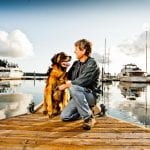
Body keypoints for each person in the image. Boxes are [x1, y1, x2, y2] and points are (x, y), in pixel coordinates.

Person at [58, 39, 101, 130]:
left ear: (84, 50)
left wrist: (65, 86)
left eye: (76, 49)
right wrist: (63, 67)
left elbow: (82, 81)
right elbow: (67, 76)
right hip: (78, 95)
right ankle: (88, 112)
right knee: (64, 117)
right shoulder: (75, 64)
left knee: (73, 87)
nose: (74, 51)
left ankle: (89, 118)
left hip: (90, 95)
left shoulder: (92, 63)